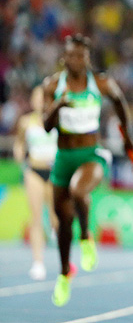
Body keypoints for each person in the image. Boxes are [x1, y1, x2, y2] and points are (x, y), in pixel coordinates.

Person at [42, 34, 133, 307]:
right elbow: (46, 126)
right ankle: (63, 274)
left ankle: (86, 236)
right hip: (64, 157)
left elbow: (120, 103)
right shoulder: (52, 86)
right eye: (71, 55)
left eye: (81, 56)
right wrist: (58, 105)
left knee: (79, 190)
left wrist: (127, 138)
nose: (76, 60)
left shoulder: (102, 83)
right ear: (64, 58)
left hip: (91, 155)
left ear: (88, 59)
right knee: (62, 225)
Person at [13, 85, 59, 281]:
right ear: (32, 101)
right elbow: (19, 143)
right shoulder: (26, 122)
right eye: (37, 98)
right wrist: (19, 154)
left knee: (56, 216)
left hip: (55, 173)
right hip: (34, 171)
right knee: (36, 217)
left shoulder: (58, 121)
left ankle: (56, 237)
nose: (40, 101)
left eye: (44, 98)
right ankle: (38, 262)